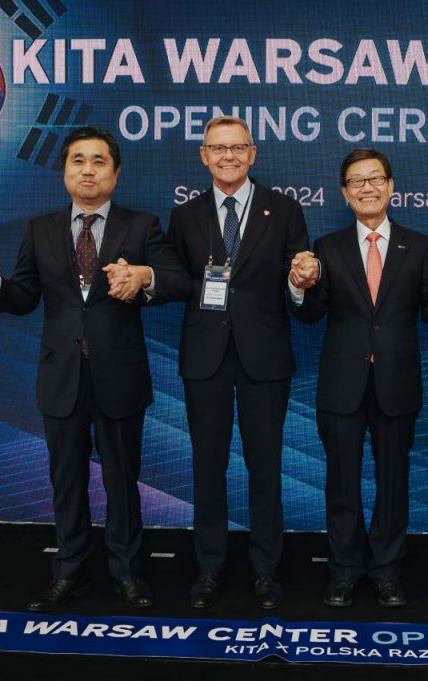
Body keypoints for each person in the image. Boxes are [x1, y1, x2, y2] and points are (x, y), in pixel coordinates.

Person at [0, 126, 189, 611]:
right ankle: (69, 573)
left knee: (122, 481)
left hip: (120, 375)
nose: (88, 170)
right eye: (78, 161)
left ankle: (127, 573)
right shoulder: (41, 229)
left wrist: (143, 276)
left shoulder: (141, 226)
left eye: (98, 161)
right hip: (61, 377)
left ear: (116, 172)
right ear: (65, 170)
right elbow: (24, 296)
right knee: (67, 481)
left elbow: (178, 281)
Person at [290, 149, 428, 608]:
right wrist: (298, 287)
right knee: (341, 483)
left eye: (375, 179)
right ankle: (344, 570)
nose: (367, 188)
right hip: (341, 385)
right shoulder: (327, 248)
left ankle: (387, 571)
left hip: (397, 383)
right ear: (344, 193)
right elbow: (310, 314)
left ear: (391, 186)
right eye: (356, 181)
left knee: (393, 482)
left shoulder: (418, 246)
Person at [167, 115, 314, 610]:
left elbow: (298, 280)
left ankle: (266, 568)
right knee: (207, 465)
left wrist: (302, 279)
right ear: (204, 156)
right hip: (204, 356)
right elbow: (177, 280)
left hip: (264, 356)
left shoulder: (284, 209)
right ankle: (209, 565)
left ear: (252, 154)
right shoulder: (185, 216)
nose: (228, 156)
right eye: (218, 148)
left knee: (265, 464)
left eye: (237, 148)